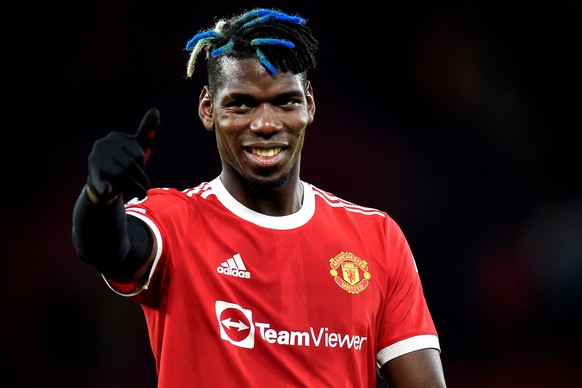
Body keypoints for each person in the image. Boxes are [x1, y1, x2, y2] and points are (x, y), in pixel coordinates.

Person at [71, 7, 446, 387]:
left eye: (285, 101)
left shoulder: (377, 239)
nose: (266, 124)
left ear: (309, 104)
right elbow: (107, 247)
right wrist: (100, 196)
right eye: (241, 104)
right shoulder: (174, 222)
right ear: (208, 109)